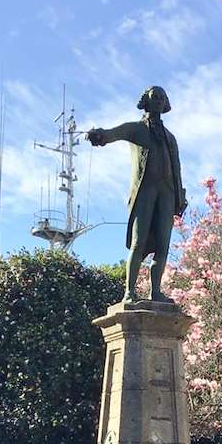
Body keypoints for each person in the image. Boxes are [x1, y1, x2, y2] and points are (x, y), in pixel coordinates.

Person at [86, 86, 187, 303]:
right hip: (146, 191)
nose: (159, 101)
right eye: (155, 97)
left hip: (167, 193)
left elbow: (177, 168)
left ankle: (156, 291)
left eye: (162, 98)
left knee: (163, 245)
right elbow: (115, 133)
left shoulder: (170, 137)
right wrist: (100, 135)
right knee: (138, 241)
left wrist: (180, 196)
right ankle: (129, 292)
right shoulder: (137, 129)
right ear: (146, 101)